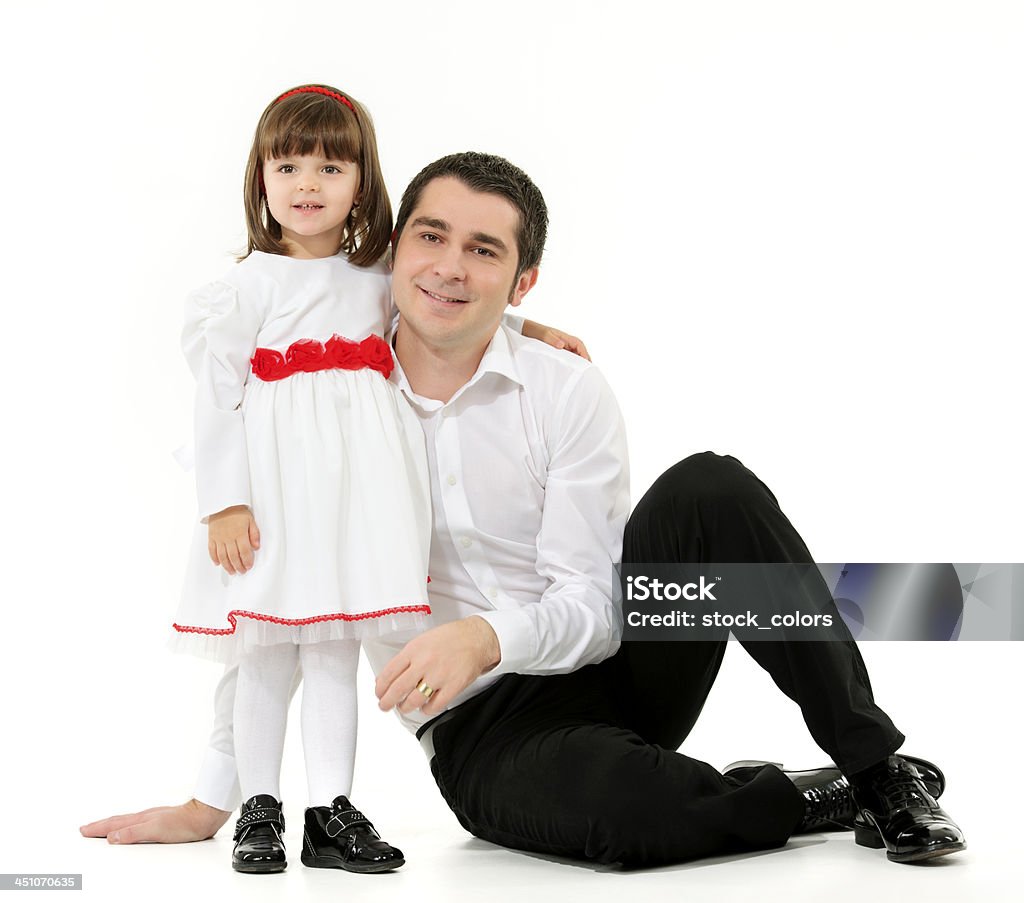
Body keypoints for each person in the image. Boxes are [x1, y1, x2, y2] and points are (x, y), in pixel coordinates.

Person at [83, 151, 965, 867]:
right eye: (431, 238)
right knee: (628, 815)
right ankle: (806, 796)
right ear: (394, 250)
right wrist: (213, 793)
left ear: (525, 278)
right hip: (482, 728)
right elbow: (275, 601)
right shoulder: (318, 405)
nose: (448, 268)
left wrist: (486, 633)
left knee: (711, 487)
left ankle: (878, 768)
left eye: (484, 251)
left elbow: (591, 602)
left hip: (615, 659)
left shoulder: (565, 389)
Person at [168, 89, 581, 876]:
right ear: (261, 178)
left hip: (353, 504)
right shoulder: (245, 289)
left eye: (331, 164)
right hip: (275, 504)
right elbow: (213, 401)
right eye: (287, 165)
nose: (307, 182)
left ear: (364, 182)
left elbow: (446, 306)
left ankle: (330, 807)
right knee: (264, 654)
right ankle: (261, 804)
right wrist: (224, 502)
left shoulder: (377, 272)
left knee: (331, 652)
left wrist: (532, 329)